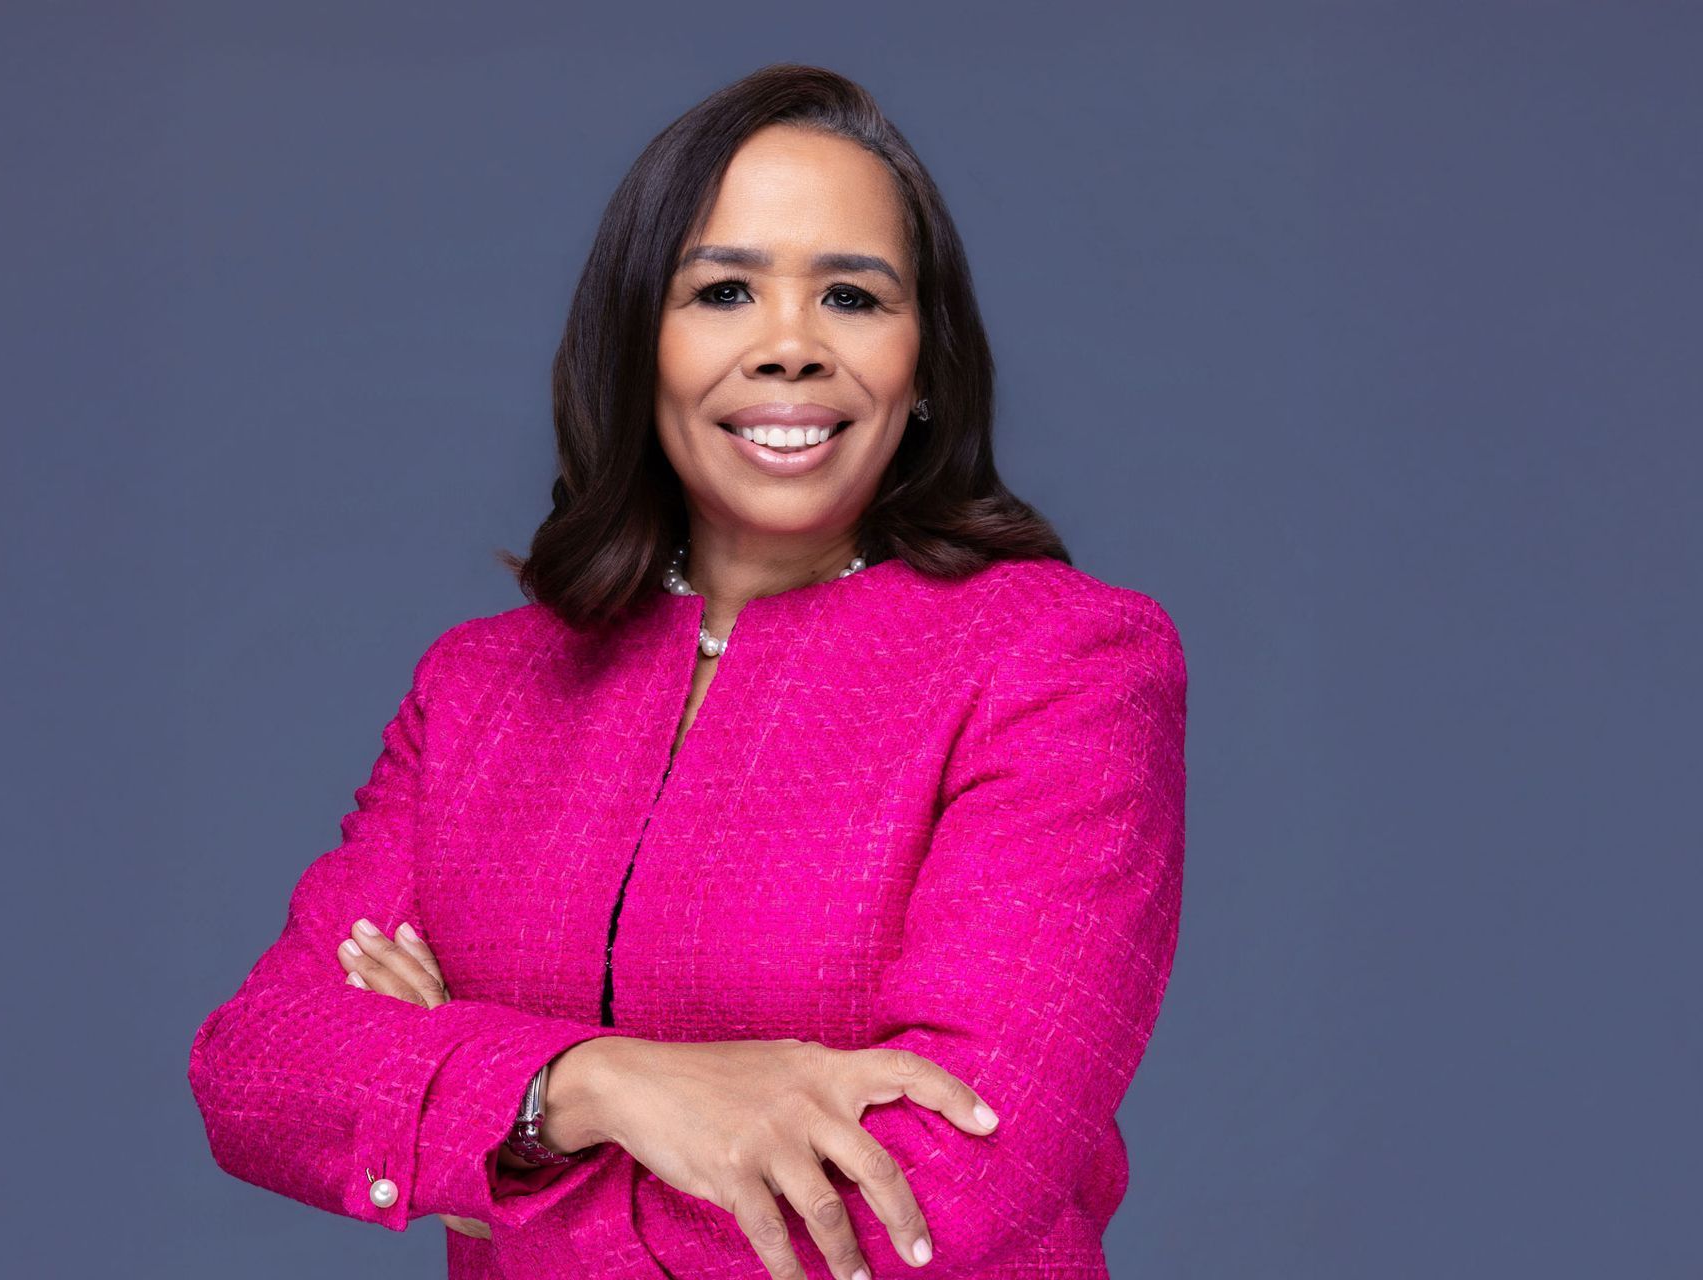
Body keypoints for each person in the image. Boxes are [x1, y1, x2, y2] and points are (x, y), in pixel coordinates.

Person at [186, 62, 1188, 1280]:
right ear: (637, 346)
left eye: (852, 296)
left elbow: (943, 1183)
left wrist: (481, 1142)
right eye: (722, 291)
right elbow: (260, 1063)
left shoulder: (1061, 662)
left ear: (924, 362)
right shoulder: (480, 690)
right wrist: (595, 1083)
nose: (790, 348)